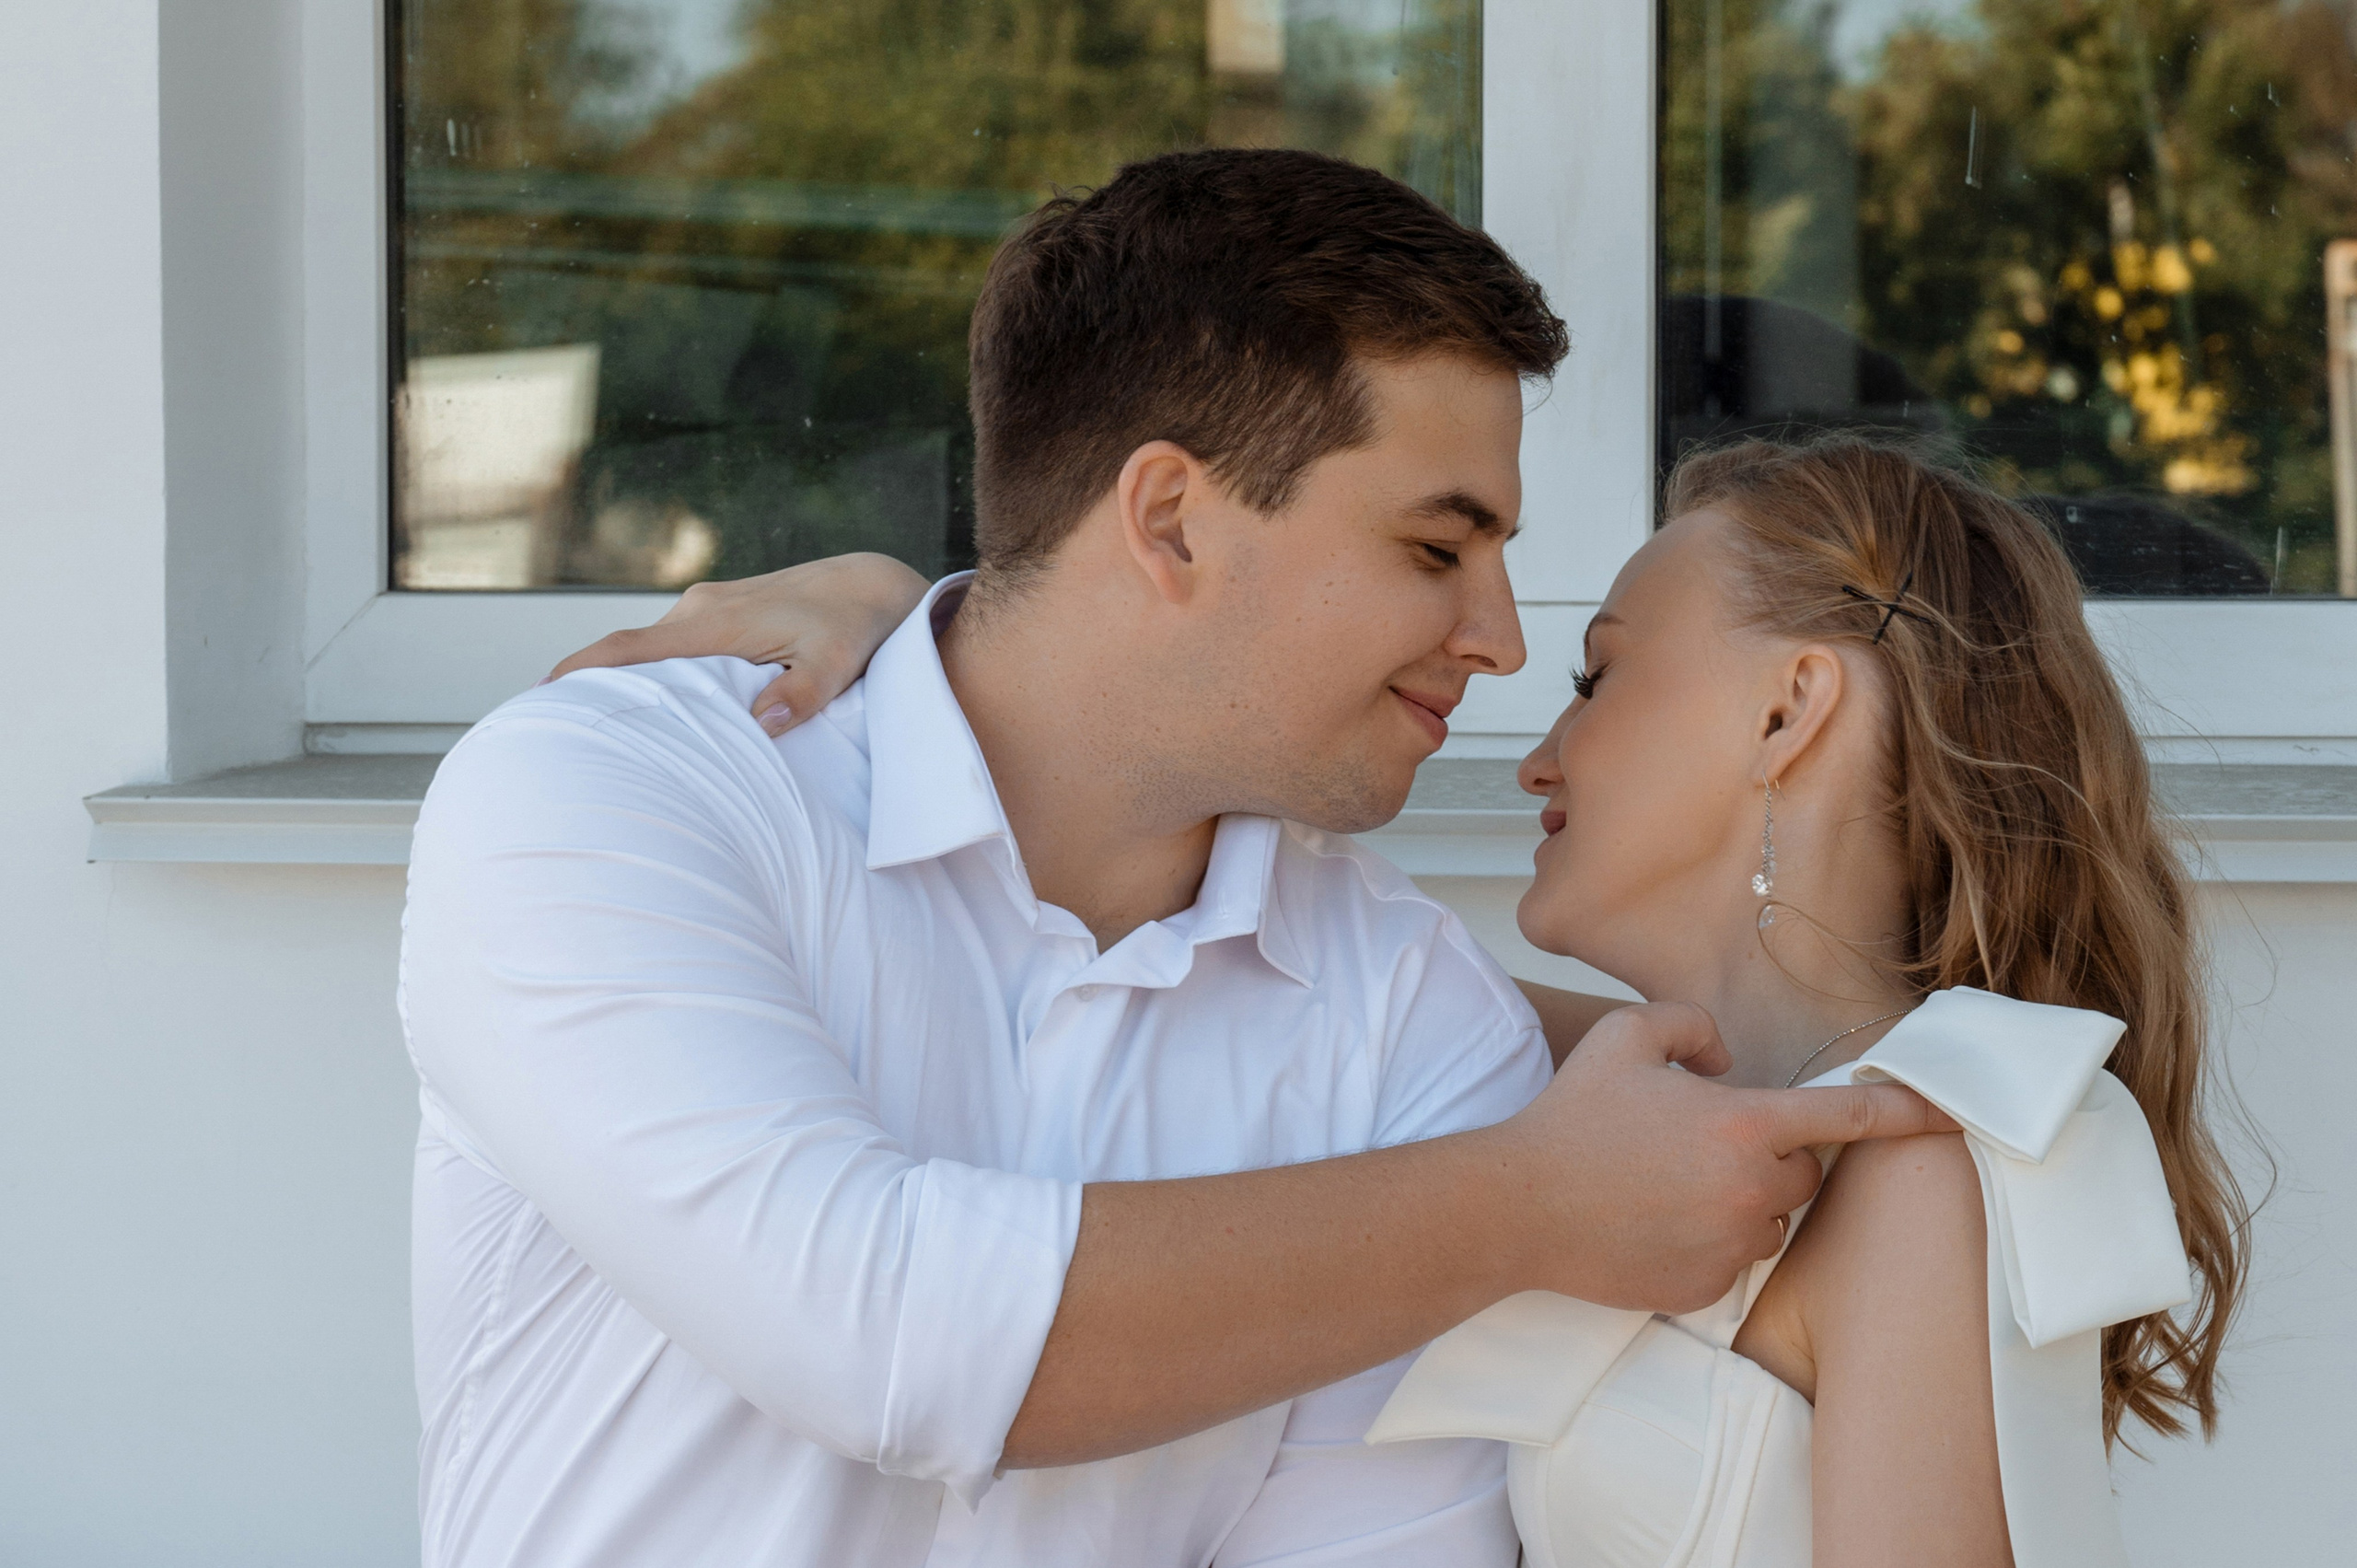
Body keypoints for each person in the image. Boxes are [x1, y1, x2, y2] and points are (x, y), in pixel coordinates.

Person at [402, 149, 1947, 1567]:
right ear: (1170, 520)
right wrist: (1519, 1206)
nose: (1494, 641)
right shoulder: (612, 791)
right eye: (1435, 548)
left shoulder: (1403, 1008)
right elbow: (874, 1324)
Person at [674, 435, 2249, 1567]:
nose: (1538, 752)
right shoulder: (1608, 1112)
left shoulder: (1921, 1165)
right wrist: (928, 637)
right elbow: (1222, 982)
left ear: (1790, 707)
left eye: (1598, 674)